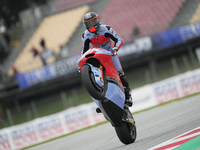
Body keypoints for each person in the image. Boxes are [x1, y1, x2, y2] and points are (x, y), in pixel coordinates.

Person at [81, 12, 133, 110]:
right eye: (88, 24)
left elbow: (119, 40)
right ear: (85, 26)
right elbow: (84, 51)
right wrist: (82, 63)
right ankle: (101, 102)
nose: (91, 26)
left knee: (120, 73)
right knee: (94, 77)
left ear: (98, 20)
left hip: (110, 54)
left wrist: (116, 48)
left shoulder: (106, 29)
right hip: (98, 56)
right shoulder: (85, 35)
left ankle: (128, 95)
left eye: (93, 22)